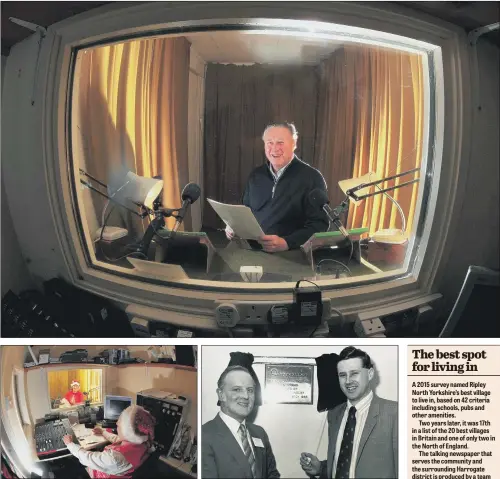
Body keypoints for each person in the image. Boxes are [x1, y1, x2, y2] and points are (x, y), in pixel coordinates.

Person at [226, 122, 328, 252]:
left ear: (294, 144)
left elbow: (319, 225)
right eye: (269, 143)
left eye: (280, 142)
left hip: (291, 253)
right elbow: (245, 211)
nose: (274, 148)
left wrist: (287, 243)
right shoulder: (256, 175)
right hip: (251, 249)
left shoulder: (312, 177)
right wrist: (233, 226)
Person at [300, 347, 398, 479]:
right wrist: (321, 468)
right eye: (342, 375)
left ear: (370, 374)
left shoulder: (395, 412)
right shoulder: (334, 414)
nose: (347, 381)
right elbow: (347, 462)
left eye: (354, 373)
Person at [202, 365, 280, 478]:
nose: (245, 396)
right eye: (237, 389)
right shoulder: (205, 436)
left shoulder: (259, 433)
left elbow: (272, 474)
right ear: (221, 395)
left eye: (250, 390)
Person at [63, 405, 155, 478]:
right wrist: (103, 432)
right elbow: (118, 440)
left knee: (75, 464)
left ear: (128, 433)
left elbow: (88, 458)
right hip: (119, 471)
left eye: (119, 426)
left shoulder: (114, 458)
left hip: (105, 474)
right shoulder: (142, 443)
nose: (116, 424)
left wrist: (70, 444)